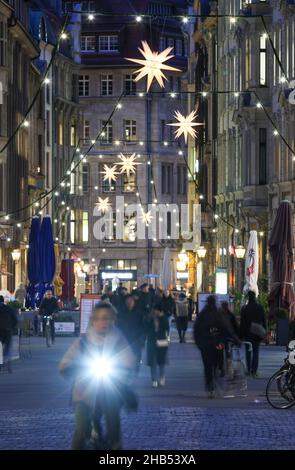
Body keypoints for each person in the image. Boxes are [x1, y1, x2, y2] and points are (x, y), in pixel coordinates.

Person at [59, 301, 136, 450]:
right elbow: (64, 363)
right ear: (94, 320)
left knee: (113, 426)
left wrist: (124, 370)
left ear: (112, 320)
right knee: (81, 430)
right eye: (100, 318)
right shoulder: (83, 341)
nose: (103, 322)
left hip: (110, 389)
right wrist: (74, 368)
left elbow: (129, 360)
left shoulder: (118, 339)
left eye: (107, 318)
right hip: (84, 391)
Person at [194, 295, 240, 398]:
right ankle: (213, 381)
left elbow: (196, 330)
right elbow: (226, 328)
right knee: (215, 364)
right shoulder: (217, 314)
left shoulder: (202, 315)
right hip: (216, 344)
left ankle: (210, 386)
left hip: (205, 345)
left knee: (207, 366)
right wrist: (235, 339)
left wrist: (199, 343)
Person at [240, 290, 266, 378]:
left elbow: (242, 323)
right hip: (257, 332)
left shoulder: (245, 308)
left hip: (248, 333)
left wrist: (241, 335)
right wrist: (264, 331)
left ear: (248, 297)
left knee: (248, 351)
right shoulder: (260, 307)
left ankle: (248, 369)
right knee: (256, 351)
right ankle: (254, 371)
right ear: (255, 297)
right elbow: (264, 320)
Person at [117, 294, 144, 373]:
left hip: (136, 339)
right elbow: (118, 325)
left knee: (136, 356)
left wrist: (142, 340)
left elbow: (142, 327)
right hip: (125, 339)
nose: (129, 303)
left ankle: (135, 369)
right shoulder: (121, 313)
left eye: (131, 302)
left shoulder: (138, 314)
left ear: (134, 303)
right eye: (128, 302)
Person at [145, 303, 169, 388]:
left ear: (159, 311)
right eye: (154, 310)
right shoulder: (150, 318)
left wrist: (158, 326)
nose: (154, 312)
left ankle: (162, 378)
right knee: (153, 362)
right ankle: (154, 380)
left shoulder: (164, 318)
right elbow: (146, 328)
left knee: (161, 361)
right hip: (152, 341)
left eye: (156, 310)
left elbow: (167, 328)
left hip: (162, 341)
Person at [0, 295, 18, 372]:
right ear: (3, 301)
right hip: (7, 329)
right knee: (8, 347)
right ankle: (8, 362)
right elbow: (15, 319)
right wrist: (12, 327)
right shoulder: (9, 308)